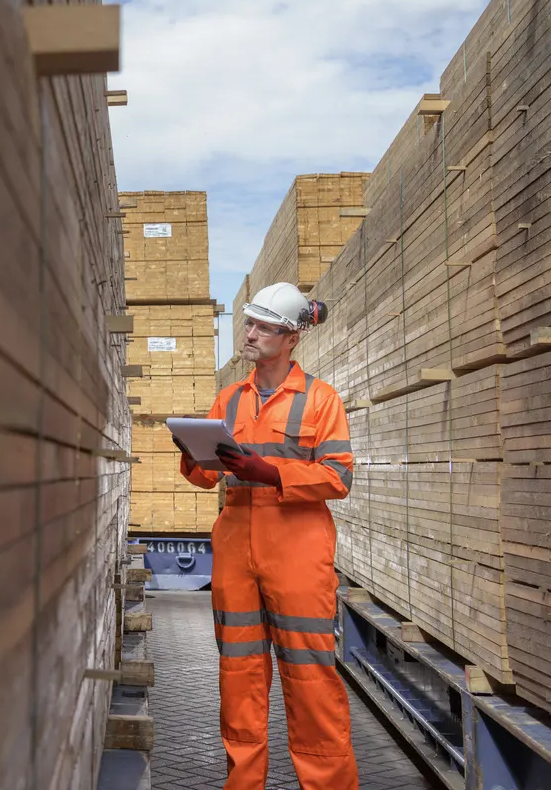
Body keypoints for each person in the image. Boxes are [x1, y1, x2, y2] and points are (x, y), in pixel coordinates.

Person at [177, 281, 359, 790]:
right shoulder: (229, 399)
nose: (250, 333)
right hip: (236, 549)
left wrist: (274, 474)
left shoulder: (321, 400)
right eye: (249, 323)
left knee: (311, 684)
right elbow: (208, 476)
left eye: (263, 326)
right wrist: (192, 456)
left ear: (291, 338)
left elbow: (339, 478)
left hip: (297, 552)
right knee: (239, 682)